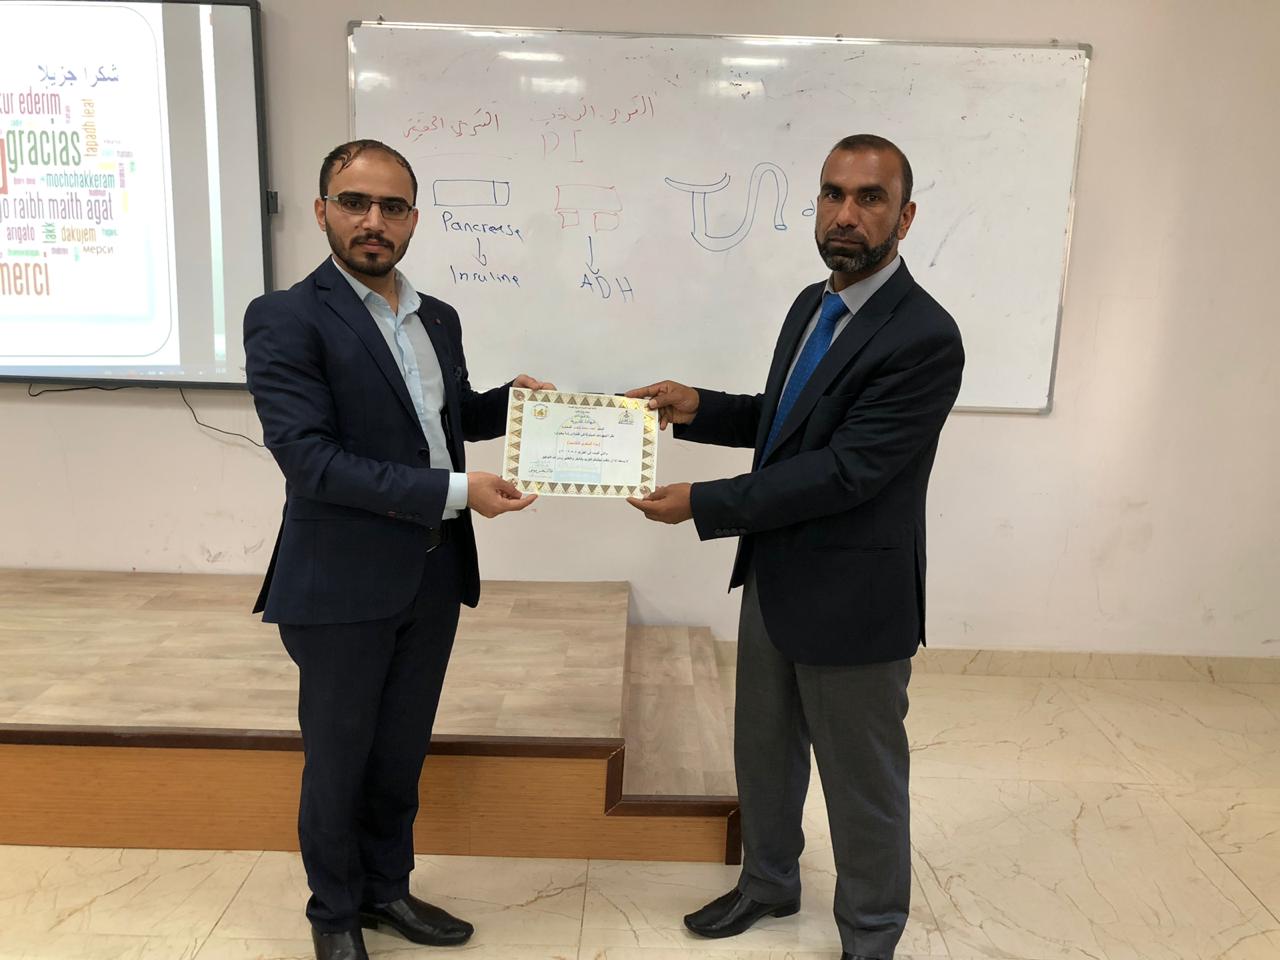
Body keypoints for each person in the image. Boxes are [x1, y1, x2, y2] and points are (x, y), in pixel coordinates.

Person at [626, 134, 964, 960]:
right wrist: (699, 407)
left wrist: (703, 503)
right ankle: (769, 883)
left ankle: (871, 934)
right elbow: (786, 424)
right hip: (777, 579)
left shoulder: (925, 336)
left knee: (863, 782)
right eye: (832, 193)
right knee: (765, 753)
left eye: (870, 198)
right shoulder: (812, 303)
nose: (846, 214)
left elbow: (845, 471)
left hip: (856, 602)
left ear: (905, 217)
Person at [244, 138, 552, 960]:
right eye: (355, 202)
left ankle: (387, 891)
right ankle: (334, 915)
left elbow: (437, 421)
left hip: (433, 570)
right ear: (323, 211)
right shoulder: (286, 317)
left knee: (399, 753)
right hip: (340, 582)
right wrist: (458, 491)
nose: (373, 220)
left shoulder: (436, 316)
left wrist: (512, 406)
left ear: (414, 218)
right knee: (338, 759)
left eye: (392, 206)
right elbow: (312, 462)